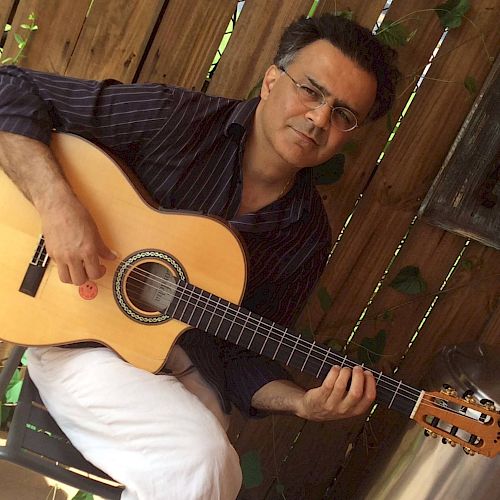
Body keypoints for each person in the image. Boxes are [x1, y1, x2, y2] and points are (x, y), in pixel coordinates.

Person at [0, 13, 399, 500]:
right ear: (272, 79)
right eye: (311, 91)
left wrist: (301, 402)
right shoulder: (175, 119)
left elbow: (239, 355)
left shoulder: (306, 236)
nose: (319, 119)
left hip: (179, 370)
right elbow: (11, 87)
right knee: (201, 461)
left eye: (343, 114)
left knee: (215, 474)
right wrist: (57, 206)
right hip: (75, 335)